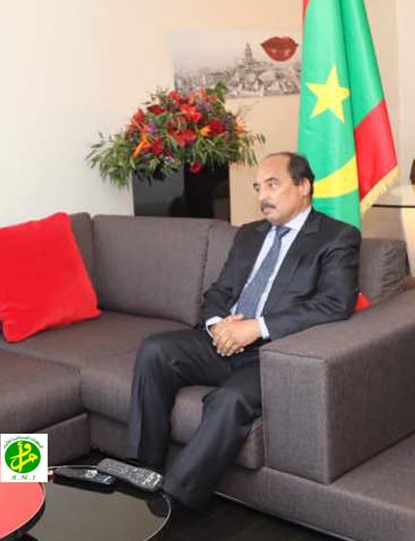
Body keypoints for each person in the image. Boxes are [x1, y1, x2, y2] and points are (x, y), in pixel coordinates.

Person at [128, 152, 360, 510]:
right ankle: (144, 471)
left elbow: (335, 304)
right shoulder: (250, 234)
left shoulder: (336, 237)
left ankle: (172, 499)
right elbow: (220, 290)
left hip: (272, 353)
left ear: (304, 186)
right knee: (155, 349)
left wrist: (256, 328)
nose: (262, 196)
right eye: (257, 187)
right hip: (223, 341)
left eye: (272, 184)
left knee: (229, 400)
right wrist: (218, 325)